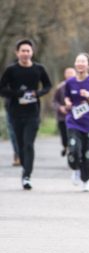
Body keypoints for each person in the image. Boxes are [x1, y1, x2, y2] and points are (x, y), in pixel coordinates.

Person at [0, 39, 52, 190]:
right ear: (17, 53)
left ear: (32, 52)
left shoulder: (39, 69)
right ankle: (25, 166)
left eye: (28, 51)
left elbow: (48, 85)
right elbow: (1, 89)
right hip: (15, 113)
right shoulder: (11, 70)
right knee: (21, 145)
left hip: (32, 113)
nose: (25, 53)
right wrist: (17, 93)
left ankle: (27, 176)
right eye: (22, 51)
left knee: (29, 144)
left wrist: (38, 93)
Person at [64, 53, 89, 192]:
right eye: (78, 61)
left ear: (88, 65)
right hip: (74, 122)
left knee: (88, 154)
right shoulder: (70, 82)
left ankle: (87, 181)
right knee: (73, 150)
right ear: (75, 64)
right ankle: (75, 168)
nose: (80, 63)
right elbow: (67, 98)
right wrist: (67, 103)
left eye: (83, 61)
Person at [53, 67, 76, 157]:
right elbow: (54, 101)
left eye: (72, 73)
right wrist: (60, 108)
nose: (70, 75)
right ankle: (66, 146)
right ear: (65, 75)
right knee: (64, 136)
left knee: (73, 135)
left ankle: (72, 150)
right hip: (62, 117)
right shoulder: (60, 87)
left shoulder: (78, 86)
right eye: (68, 73)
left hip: (75, 116)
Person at [5, 98, 20, 166]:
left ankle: (22, 155)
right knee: (13, 135)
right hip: (10, 110)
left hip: (25, 111)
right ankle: (17, 155)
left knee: (22, 134)